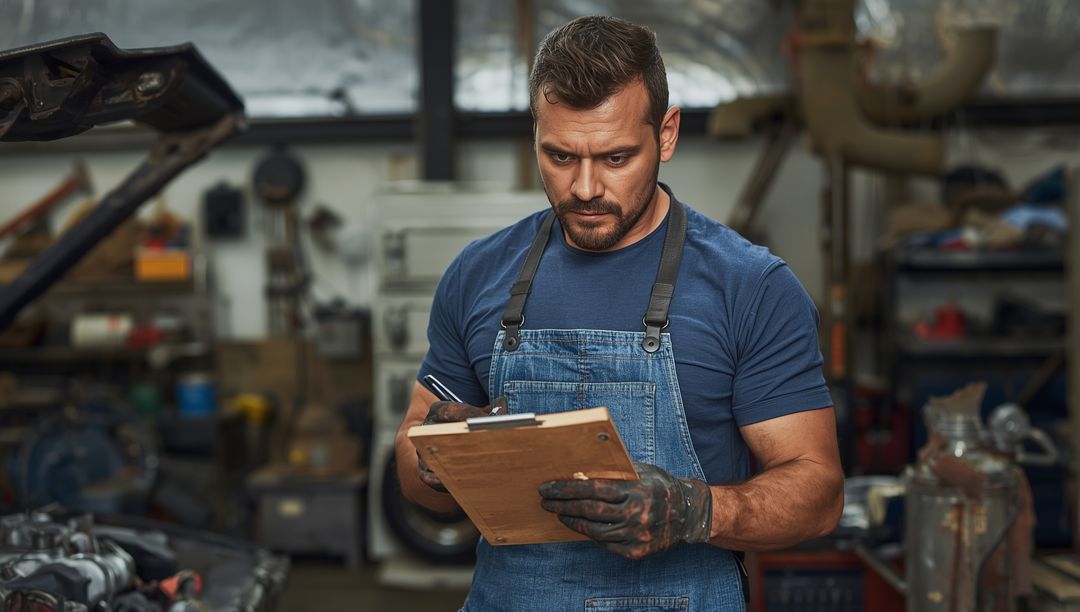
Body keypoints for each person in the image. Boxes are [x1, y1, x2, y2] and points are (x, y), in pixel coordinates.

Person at [395, 14, 844, 611]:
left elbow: (818, 494)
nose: (583, 188)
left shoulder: (750, 288)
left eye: (614, 158)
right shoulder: (479, 275)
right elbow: (414, 460)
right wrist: (437, 460)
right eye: (559, 156)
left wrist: (695, 511)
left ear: (667, 134)